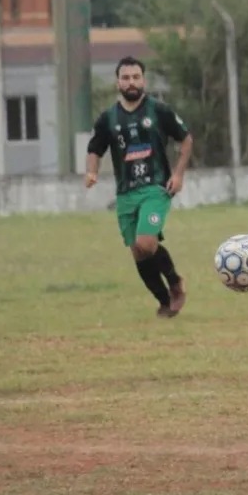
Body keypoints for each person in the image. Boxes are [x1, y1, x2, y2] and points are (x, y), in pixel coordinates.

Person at [85, 56, 193, 318]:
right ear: (117, 82)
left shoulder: (159, 110)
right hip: (126, 193)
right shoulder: (108, 118)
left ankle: (175, 282)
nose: (131, 82)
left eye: (136, 77)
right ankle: (164, 301)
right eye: (126, 78)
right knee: (138, 252)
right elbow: (95, 148)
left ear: (143, 80)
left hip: (156, 188)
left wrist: (178, 175)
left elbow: (186, 139)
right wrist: (91, 172)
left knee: (146, 242)